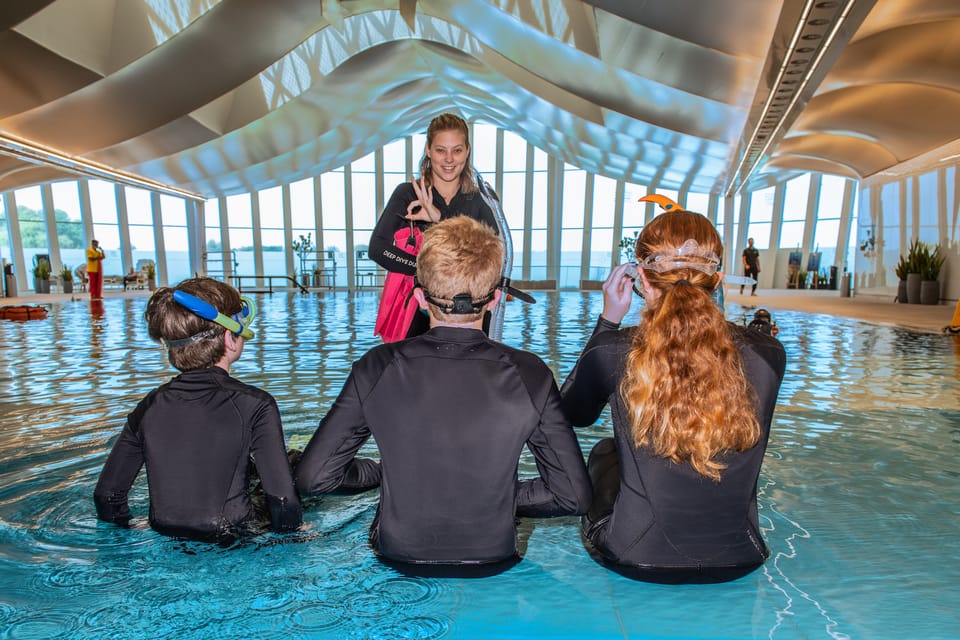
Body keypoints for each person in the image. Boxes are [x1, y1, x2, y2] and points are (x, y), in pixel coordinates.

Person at [296, 216, 591, 576]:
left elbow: (315, 478)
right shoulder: (530, 374)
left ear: (419, 297)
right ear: (496, 299)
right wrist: (495, 495)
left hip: (398, 554)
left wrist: (381, 473)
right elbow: (572, 495)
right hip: (494, 557)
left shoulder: (376, 367)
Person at [560, 210, 786, 584]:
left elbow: (571, 413)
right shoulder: (769, 353)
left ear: (641, 279)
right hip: (742, 555)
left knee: (605, 451)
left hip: (633, 555)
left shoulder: (614, 351)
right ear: (716, 279)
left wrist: (608, 322)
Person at [93, 277, 302, 542]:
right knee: (295, 460)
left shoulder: (147, 407)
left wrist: (131, 526)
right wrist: (296, 536)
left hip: (164, 530)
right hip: (236, 534)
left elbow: (107, 496)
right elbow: (283, 502)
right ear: (229, 338)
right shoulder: (256, 404)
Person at [369, 112, 500, 340]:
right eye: (441, 150)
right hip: (419, 311)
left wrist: (439, 218)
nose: (449, 159)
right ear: (428, 150)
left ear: (467, 151)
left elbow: (492, 261)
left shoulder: (480, 199)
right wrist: (424, 272)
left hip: (471, 312)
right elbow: (378, 248)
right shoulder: (408, 193)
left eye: (457, 150)